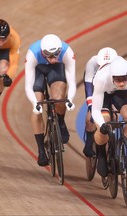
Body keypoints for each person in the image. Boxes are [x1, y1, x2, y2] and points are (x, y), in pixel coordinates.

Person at [25, 34, 76, 166]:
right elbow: (28, 86)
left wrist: (69, 99)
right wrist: (35, 104)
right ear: (43, 52)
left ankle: (60, 121)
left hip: (56, 70)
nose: (53, 59)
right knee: (37, 108)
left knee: (59, 98)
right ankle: (41, 150)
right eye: (49, 56)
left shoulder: (67, 52)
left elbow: (72, 81)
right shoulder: (32, 53)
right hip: (38, 70)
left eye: (56, 55)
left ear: (60, 51)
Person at [91, 57, 127, 177]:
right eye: (118, 79)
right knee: (104, 124)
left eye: (124, 79)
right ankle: (101, 156)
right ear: (111, 76)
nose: (121, 83)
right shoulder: (101, 79)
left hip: (123, 94)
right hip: (104, 94)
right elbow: (95, 109)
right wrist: (102, 125)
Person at [83, 47, 118, 157]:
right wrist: (90, 106)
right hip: (96, 87)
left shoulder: (119, 64)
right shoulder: (92, 63)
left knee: (115, 116)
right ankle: (89, 143)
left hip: (112, 87)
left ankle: (111, 141)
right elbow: (88, 86)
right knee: (90, 117)